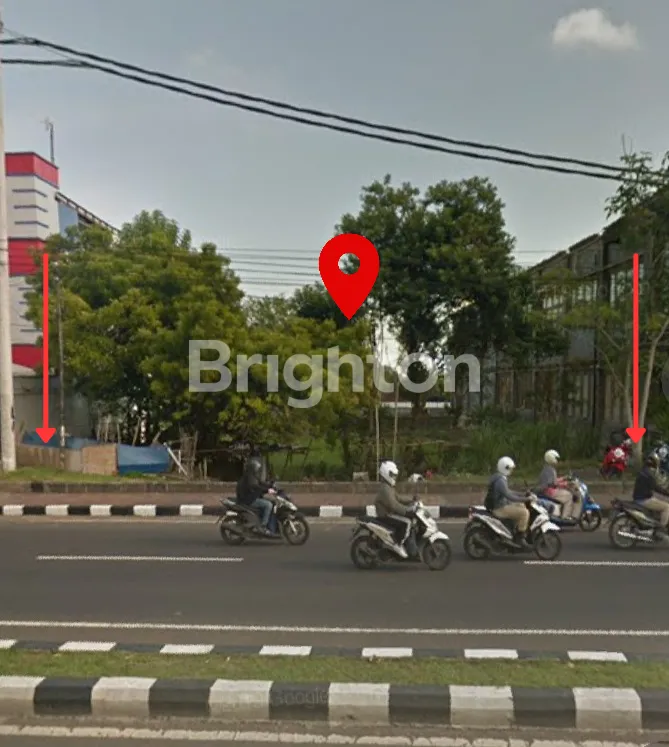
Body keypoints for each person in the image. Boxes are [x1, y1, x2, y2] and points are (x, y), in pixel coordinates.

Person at [374, 460, 418, 559]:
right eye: (392, 475)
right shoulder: (385, 489)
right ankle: (398, 544)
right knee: (407, 522)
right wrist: (407, 510)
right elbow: (394, 505)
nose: (394, 477)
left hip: (389, 513)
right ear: (386, 473)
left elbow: (398, 498)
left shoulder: (388, 487)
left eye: (394, 475)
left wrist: (411, 500)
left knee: (409, 521)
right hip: (386, 515)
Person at [486, 456, 531, 549]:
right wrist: (526, 499)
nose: (512, 471)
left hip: (501, 504)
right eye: (510, 468)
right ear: (505, 468)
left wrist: (523, 494)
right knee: (524, 513)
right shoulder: (500, 481)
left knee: (521, 506)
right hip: (500, 508)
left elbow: (508, 492)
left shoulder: (500, 477)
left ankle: (516, 528)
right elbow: (510, 496)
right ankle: (520, 538)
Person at [235, 456, 277, 536]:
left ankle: (263, 521)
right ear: (253, 468)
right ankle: (263, 526)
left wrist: (270, 485)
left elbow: (260, 483)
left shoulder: (251, 476)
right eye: (256, 469)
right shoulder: (250, 477)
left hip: (251, 497)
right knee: (268, 505)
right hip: (248, 500)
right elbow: (255, 486)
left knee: (269, 501)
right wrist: (267, 490)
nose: (257, 470)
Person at [632, 452, 669, 535]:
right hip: (644, 499)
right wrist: (667, 493)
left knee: (658, 501)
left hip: (639, 497)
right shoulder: (650, 474)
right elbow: (656, 488)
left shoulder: (643, 471)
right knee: (667, 507)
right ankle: (660, 529)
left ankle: (654, 523)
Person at [538, 449, 576, 519]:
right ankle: (565, 517)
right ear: (551, 458)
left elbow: (553, 480)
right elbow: (553, 483)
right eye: (556, 458)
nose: (557, 460)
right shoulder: (550, 470)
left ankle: (562, 512)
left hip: (546, 490)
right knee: (569, 496)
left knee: (565, 492)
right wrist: (565, 484)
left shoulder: (547, 468)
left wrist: (564, 478)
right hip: (549, 491)